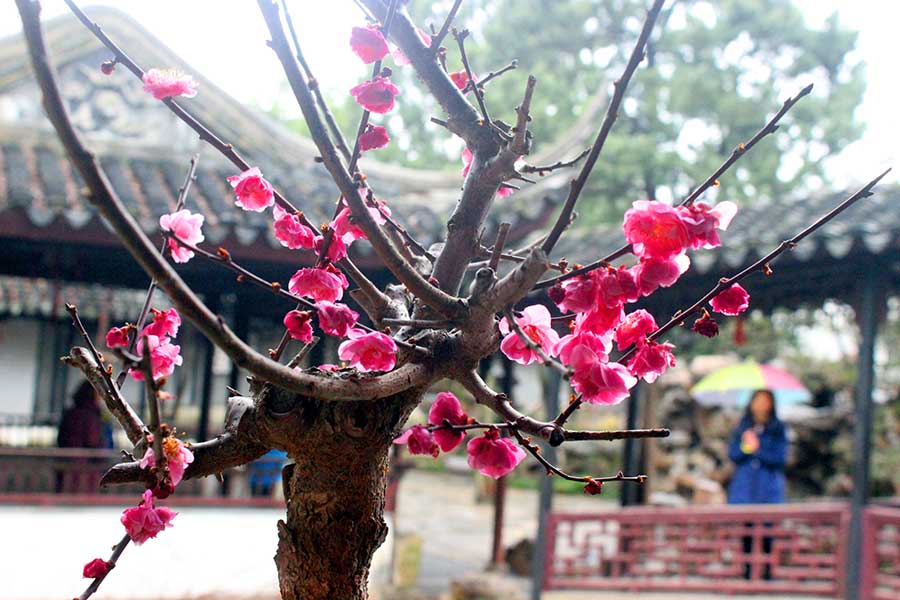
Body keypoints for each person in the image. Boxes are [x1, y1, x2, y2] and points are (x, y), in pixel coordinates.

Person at [727, 388, 788, 580]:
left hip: (767, 484)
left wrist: (758, 449)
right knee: (746, 527)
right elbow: (734, 455)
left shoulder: (778, 429)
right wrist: (747, 446)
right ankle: (747, 570)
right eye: (758, 400)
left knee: (768, 528)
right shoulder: (743, 427)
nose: (761, 405)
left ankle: (768, 571)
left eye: (765, 401)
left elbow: (780, 458)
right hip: (746, 484)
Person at [56, 381, 104, 493]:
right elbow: (93, 440)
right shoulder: (90, 415)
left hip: (67, 463)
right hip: (84, 467)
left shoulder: (71, 413)